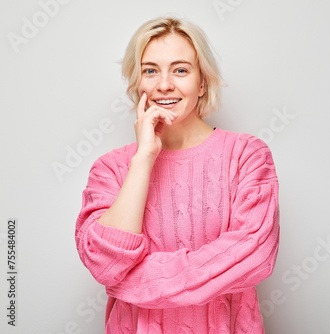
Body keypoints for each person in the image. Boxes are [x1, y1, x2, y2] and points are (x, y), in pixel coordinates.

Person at [75, 17, 280, 333]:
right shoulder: (111, 170)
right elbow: (105, 265)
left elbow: (254, 253)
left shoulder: (246, 155)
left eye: (180, 70)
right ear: (138, 82)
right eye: (150, 70)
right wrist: (143, 158)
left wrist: (138, 283)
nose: (164, 84)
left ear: (202, 83)